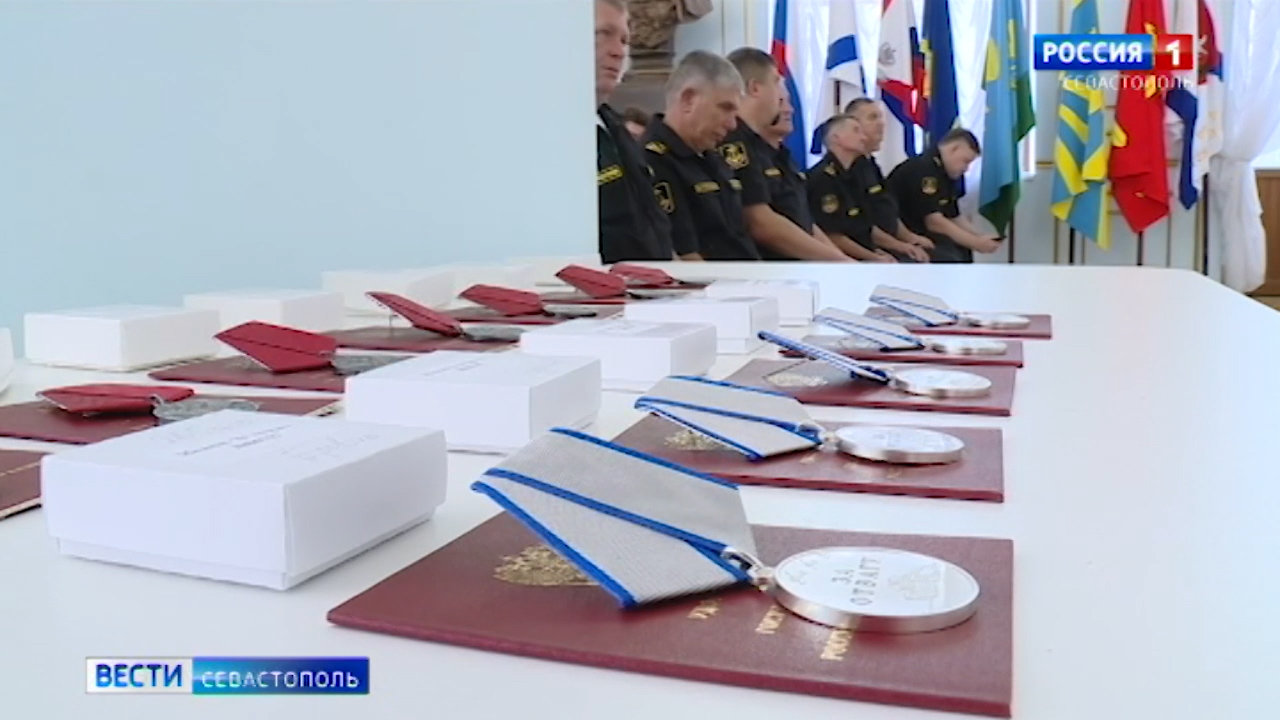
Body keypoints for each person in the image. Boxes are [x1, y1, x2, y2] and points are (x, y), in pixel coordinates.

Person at [720, 48, 850, 261]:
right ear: (755, 88)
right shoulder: (734, 143)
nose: (781, 96)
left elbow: (802, 220)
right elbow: (760, 223)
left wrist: (840, 261)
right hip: (768, 269)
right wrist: (840, 262)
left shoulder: (763, 148)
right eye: (775, 82)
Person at [642, 51, 760, 260]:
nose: (732, 124)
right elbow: (685, 257)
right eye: (725, 108)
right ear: (688, 100)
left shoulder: (711, 157)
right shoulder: (654, 162)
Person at [594, 0, 673, 263]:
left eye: (624, 41)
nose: (618, 52)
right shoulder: (559, 132)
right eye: (604, 34)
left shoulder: (615, 128)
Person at [886, 128, 1001, 263]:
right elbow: (934, 222)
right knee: (949, 257)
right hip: (901, 235)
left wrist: (979, 236)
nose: (966, 168)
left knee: (962, 250)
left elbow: (953, 216)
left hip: (921, 233)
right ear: (954, 149)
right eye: (966, 161)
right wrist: (975, 243)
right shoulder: (925, 169)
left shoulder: (945, 173)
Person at [842, 98, 932, 262]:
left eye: (881, 117)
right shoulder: (848, 169)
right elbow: (861, 226)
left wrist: (909, 238)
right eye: (872, 117)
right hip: (866, 249)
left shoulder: (870, 165)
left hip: (888, 243)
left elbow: (887, 212)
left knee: (940, 253)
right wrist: (900, 245)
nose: (881, 123)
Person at [805, 115, 897, 262]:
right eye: (856, 131)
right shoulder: (824, 179)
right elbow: (832, 235)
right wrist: (873, 257)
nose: (863, 137)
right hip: (837, 260)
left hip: (861, 255)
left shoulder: (854, 175)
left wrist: (897, 247)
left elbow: (864, 227)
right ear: (836, 138)